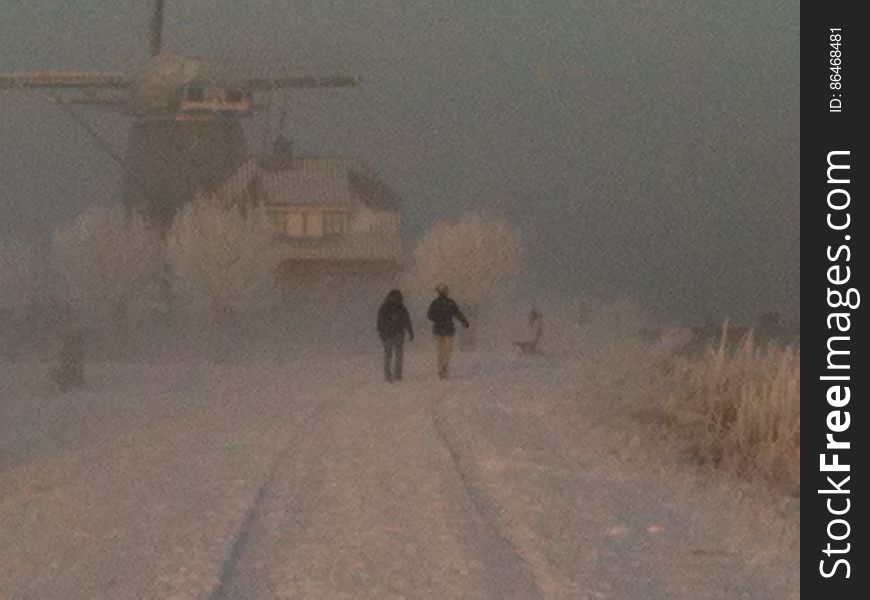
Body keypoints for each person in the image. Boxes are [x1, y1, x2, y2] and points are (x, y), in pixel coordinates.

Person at [426, 285, 469, 379]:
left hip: (437, 329)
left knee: (439, 350)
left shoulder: (435, 303)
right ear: (446, 292)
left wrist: (437, 318)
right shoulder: (450, 302)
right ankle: (445, 366)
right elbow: (458, 313)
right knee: (447, 350)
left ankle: (441, 368)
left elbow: (429, 315)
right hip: (449, 329)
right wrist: (464, 322)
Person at [376, 289, 414, 382]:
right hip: (398, 333)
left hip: (388, 333)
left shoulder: (384, 307)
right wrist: (410, 332)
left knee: (388, 354)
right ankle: (397, 374)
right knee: (398, 354)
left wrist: (381, 332)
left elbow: (380, 321)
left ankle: (388, 375)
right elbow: (406, 320)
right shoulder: (401, 307)